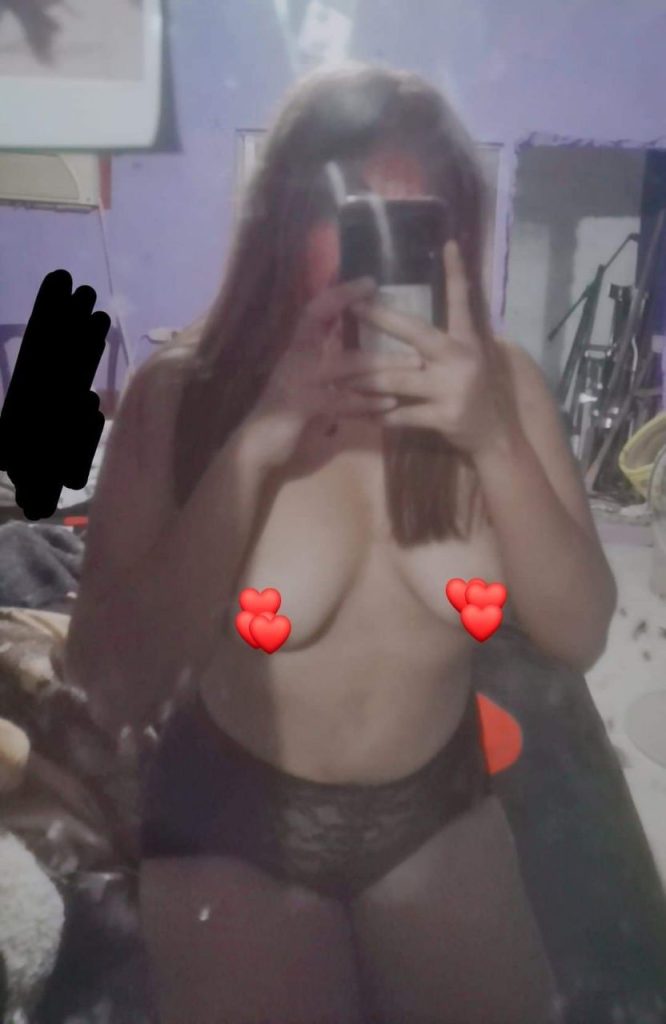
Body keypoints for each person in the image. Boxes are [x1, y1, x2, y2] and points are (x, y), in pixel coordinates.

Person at [64, 64, 617, 1024]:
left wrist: (491, 440)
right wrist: (258, 444)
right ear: (284, 223)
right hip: (235, 818)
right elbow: (110, 683)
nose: (381, 259)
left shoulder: (505, 387)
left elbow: (581, 633)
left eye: (418, 225)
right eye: (356, 217)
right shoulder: (184, 393)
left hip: (435, 808)